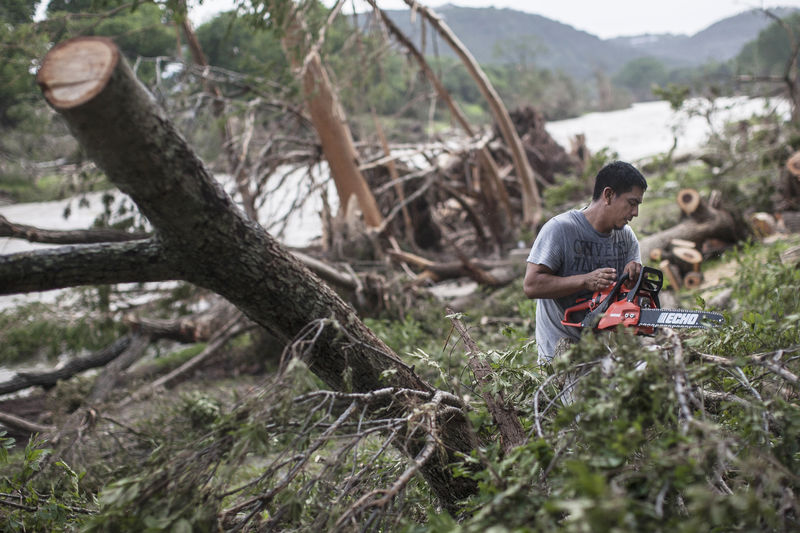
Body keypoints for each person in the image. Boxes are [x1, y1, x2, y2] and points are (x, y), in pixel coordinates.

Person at [523, 160, 647, 364]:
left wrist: (633, 281)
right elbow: (531, 285)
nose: (635, 213)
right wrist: (584, 281)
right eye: (632, 203)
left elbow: (625, 299)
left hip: (603, 351)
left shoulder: (626, 237)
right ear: (608, 195)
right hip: (561, 353)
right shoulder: (560, 230)